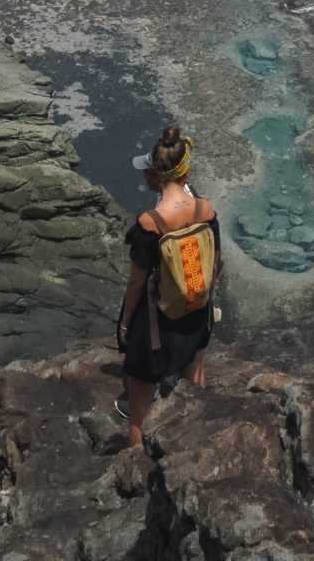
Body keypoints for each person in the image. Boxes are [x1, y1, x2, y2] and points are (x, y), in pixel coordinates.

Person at [116, 123, 221, 447]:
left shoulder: (151, 223)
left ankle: (134, 463)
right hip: (197, 315)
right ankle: (196, 442)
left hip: (158, 325)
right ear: (185, 174)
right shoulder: (206, 210)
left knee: (139, 403)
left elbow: (136, 285)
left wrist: (124, 325)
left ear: (158, 175)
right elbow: (215, 264)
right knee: (194, 384)